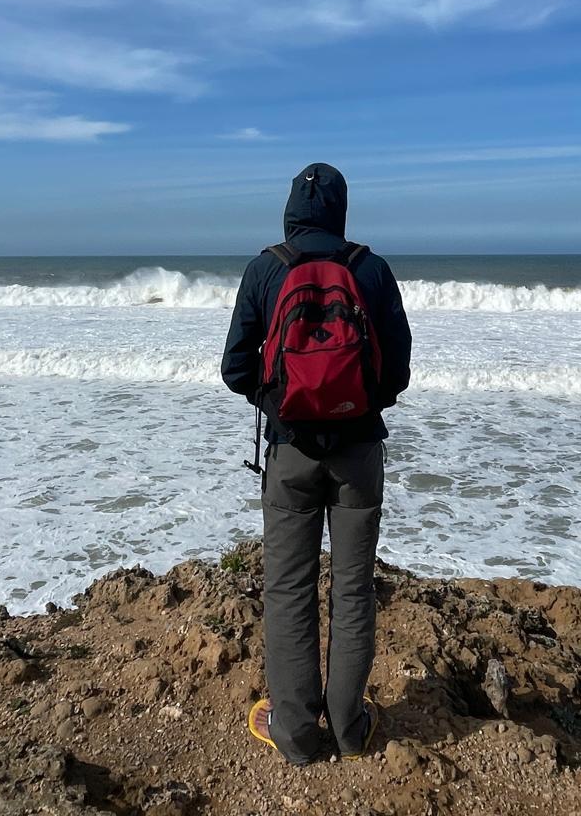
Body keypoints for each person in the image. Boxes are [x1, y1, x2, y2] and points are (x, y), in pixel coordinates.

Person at [221, 163, 412, 764]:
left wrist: (281, 403)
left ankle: (297, 734)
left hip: (290, 454)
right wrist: (354, 404)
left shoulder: (266, 268)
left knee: (287, 590)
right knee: (354, 591)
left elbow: (234, 369)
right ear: (341, 209)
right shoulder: (371, 269)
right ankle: (351, 728)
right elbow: (397, 371)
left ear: (291, 209)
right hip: (358, 455)